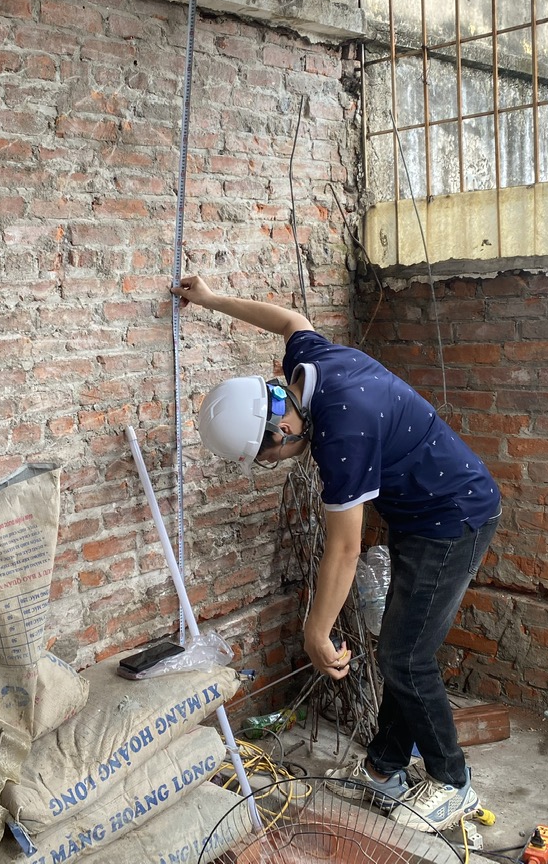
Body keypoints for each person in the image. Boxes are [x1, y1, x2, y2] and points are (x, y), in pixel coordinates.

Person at [171, 275, 501, 832]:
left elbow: (345, 548)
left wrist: (315, 632)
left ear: (281, 425)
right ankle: (384, 768)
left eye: (268, 455)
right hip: (425, 514)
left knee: (405, 656)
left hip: (454, 519)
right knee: (402, 645)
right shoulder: (309, 368)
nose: (274, 463)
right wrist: (210, 299)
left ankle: (453, 783)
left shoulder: (341, 435)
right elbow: (288, 320)